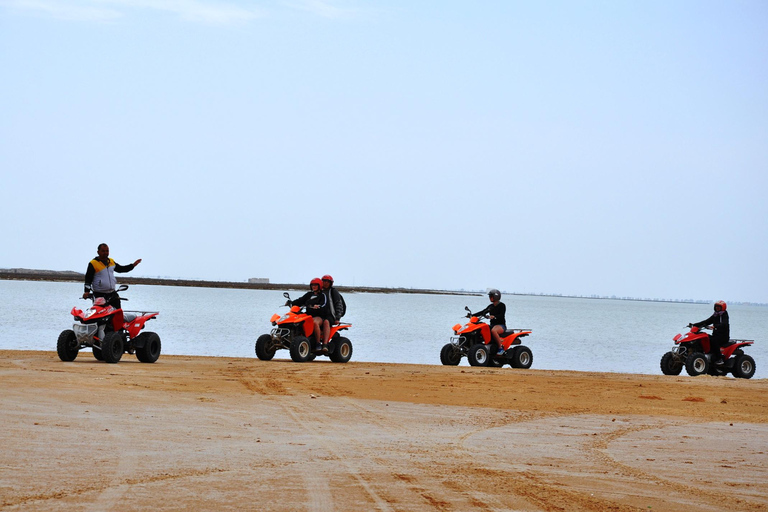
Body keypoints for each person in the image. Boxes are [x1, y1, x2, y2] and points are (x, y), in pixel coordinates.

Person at [83, 243, 142, 309]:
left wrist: (133, 265)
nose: (105, 253)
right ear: (98, 252)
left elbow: (121, 269)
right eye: (103, 251)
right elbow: (88, 278)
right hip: (99, 294)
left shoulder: (111, 261)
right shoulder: (93, 263)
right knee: (101, 315)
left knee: (117, 313)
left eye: (107, 251)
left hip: (112, 293)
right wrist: (86, 291)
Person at [288, 278, 330, 352]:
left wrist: (318, 306)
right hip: (308, 315)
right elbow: (300, 300)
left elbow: (324, 304)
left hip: (319, 316)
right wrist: (291, 303)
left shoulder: (323, 295)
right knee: (296, 320)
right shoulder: (309, 294)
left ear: (319, 286)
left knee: (314, 322)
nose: (313, 287)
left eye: (315, 285)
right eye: (312, 285)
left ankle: (318, 343)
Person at [692, 301, 730, 365]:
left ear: (722, 307)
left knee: (713, 341)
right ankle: (707, 355)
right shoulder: (715, 315)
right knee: (705, 338)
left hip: (723, 336)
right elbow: (707, 321)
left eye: (719, 307)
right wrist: (695, 325)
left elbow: (724, 324)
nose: (717, 308)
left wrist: (715, 326)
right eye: (716, 306)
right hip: (716, 335)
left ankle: (719, 358)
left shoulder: (724, 315)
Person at [471, 289, 507, 355]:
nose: (490, 298)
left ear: (496, 297)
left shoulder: (502, 305)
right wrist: (472, 315)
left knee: (493, 331)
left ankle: (500, 348)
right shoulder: (491, 306)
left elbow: (501, 315)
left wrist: (494, 316)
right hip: (492, 325)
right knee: (482, 329)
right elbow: (483, 312)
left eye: (491, 296)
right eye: (490, 296)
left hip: (501, 325)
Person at [321, 275, 344, 347]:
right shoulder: (319, 291)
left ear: (331, 283)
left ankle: (325, 344)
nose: (325, 283)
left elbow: (339, 305)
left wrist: (337, 318)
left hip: (330, 315)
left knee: (326, 321)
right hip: (319, 314)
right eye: (324, 281)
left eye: (327, 281)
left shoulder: (333, 292)